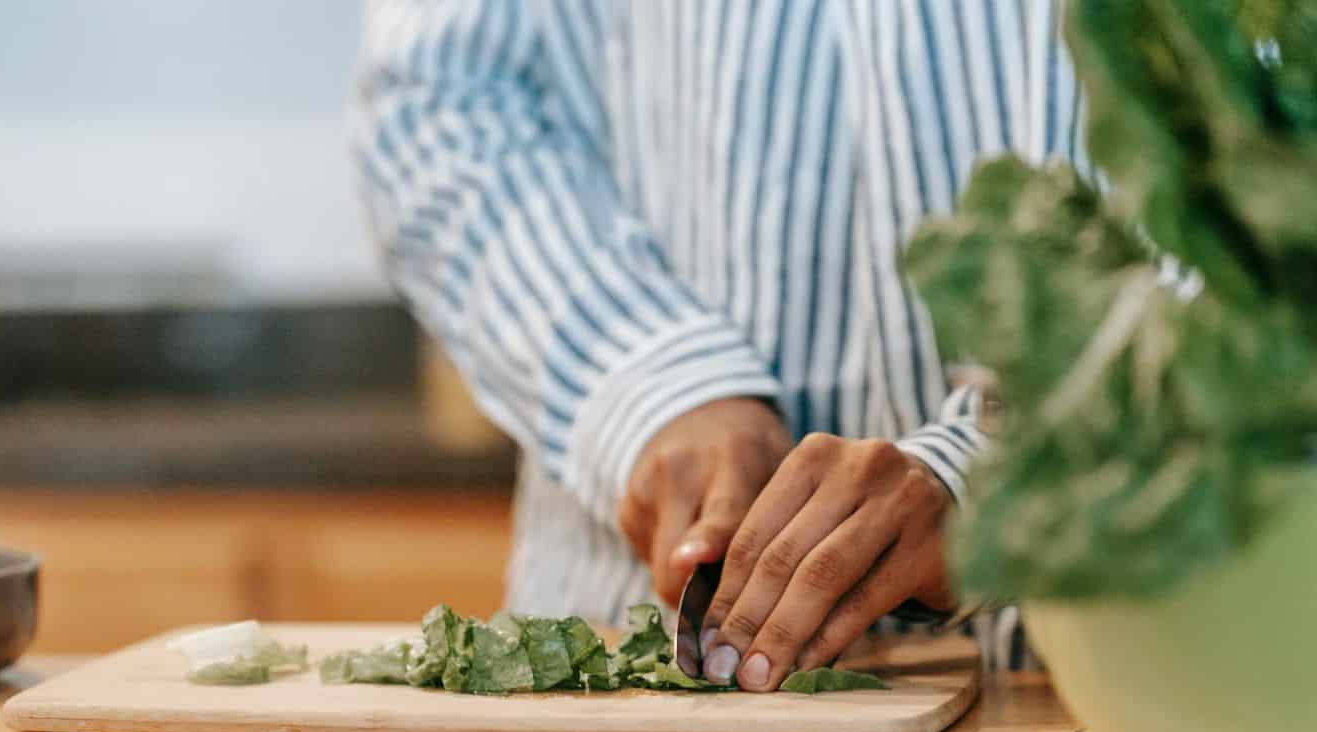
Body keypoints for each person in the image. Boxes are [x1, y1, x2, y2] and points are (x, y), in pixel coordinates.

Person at [353, 1, 1085, 687]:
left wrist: (1000, 469)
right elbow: (437, 108)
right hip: (621, 686)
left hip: (1104, 679)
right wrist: (652, 384)